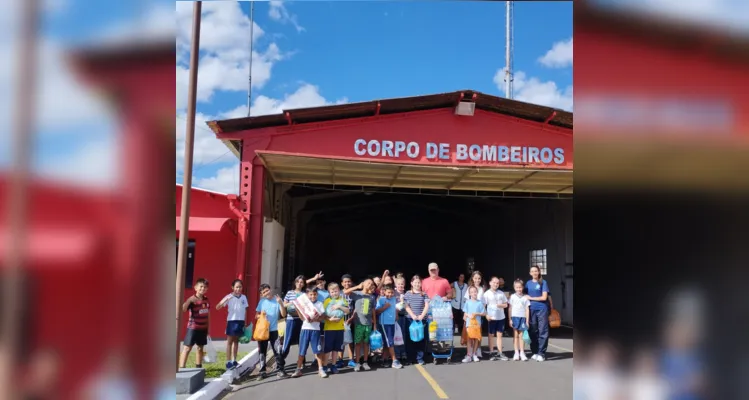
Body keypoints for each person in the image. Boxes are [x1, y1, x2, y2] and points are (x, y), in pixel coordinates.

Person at [279, 273, 322, 374]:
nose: (299, 283)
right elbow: (284, 304)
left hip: (303, 320)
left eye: (301, 282)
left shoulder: (305, 294)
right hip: (291, 319)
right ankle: (280, 364)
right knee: (287, 341)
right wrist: (294, 303)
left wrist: (314, 279)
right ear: (295, 282)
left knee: (302, 342)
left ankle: (302, 362)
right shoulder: (290, 293)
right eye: (298, 282)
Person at [292, 287, 326, 378]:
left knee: (317, 351)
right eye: (310, 294)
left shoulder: (319, 304)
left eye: (314, 294)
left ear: (317, 295)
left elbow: (323, 318)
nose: (313, 296)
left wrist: (316, 319)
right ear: (307, 295)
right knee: (302, 351)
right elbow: (302, 318)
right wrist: (298, 309)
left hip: (316, 330)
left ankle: (320, 369)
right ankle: (298, 369)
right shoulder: (304, 304)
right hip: (305, 329)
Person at [344, 279, 378, 372]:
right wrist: (358, 286)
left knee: (366, 343)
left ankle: (365, 362)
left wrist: (374, 324)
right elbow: (345, 292)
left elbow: (373, 311)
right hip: (358, 324)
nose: (370, 284)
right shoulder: (357, 294)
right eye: (368, 283)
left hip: (368, 324)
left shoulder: (371, 297)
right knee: (358, 344)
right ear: (363, 284)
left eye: (371, 283)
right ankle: (357, 362)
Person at [215, 279, 249, 370]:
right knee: (229, 342)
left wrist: (244, 322)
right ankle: (228, 361)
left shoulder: (244, 297)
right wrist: (225, 300)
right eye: (237, 287)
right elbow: (217, 307)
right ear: (232, 287)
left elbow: (245, 310)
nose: (238, 289)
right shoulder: (228, 296)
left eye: (240, 287)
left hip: (240, 322)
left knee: (236, 341)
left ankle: (234, 360)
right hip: (231, 321)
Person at [253, 284, 285, 379]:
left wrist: (281, 304)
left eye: (267, 291)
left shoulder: (277, 299)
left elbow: (283, 314)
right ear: (262, 295)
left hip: (274, 330)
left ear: (270, 290)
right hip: (263, 331)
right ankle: (263, 371)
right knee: (262, 352)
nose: (266, 293)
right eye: (263, 292)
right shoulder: (261, 302)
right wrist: (261, 315)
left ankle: (280, 370)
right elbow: (256, 316)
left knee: (277, 350)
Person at [179, 279, 210, 369]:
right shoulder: (192, 299)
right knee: (187, 348)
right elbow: (184, 309)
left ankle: (198, 367)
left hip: (203, 328)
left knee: (200, 348)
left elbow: (208, 314)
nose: (202, 288)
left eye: (205, 287)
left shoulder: (206, 300)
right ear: (195, 288)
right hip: (193, 328)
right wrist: (187, 301)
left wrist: (208, 329)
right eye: (201, 286)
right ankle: (182, 368)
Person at [322, 282, 349, 375]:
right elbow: (323, 314)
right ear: (329, 292)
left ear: (339, 291)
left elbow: (347, 310)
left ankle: (333, 365)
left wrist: (339, 306)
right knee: (327, 349)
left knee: (336, 349)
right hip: (329, 328)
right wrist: (330, 319)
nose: (334, 293)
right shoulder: (326, 301)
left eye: (336, 291)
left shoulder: (342, 300)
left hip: (340, 328)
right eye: (332, 292)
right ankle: (325, 366)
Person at [404, 275, 430, 365]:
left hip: (422, 320)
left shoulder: (424, 294)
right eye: (415, 282)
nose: (417, 284)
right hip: (410, 320)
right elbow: (406, 306)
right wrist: (413, 315)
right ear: (411, 283)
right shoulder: (407, 294)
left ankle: (420, 358)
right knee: (410, 339)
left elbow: (427, 305)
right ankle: (410, 358)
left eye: (419, 282)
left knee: (421, 339)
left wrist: (422, 316)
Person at [526, 265, 550, 362]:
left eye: (536, 271)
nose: (534, 273)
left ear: (539, 272)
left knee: (543, 330)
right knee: (532, 330)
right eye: (532, 271)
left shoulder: (543, 282)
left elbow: (544, 297)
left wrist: (531, 298)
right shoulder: (528, 283)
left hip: (542, 309)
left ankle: (541, 353)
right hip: (531, 309)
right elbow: (523, 294)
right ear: (530, 273)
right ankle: (535, 351)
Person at [375, 284, 403, 369]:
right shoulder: (382, 300)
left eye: (391, 292)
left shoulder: (394, 299)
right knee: (390, 342)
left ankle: (384, 359)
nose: (390, 294)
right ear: (384, 292)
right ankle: (394, 360)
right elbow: (376, 311)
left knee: (388, 342)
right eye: (388, 292)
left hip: (392, 323)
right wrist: (385, 307)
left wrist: (396, 314)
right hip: (384, 324)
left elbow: (397, 307)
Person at [483, 276, 509, 361]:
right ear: (490, 283)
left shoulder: (501, 293)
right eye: (494, 282)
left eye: (497, 283)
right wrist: (486, 315)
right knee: (491, 335)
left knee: (499, 335)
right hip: (491, 317)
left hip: (501, 317)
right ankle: (491, 352)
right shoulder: (486, 293)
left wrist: (500, 305)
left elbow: (506, 304)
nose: (496, 284)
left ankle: (500, 352)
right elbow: (483, 306)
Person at [508, 279, 530, 361]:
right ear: (514, 288)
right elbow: (510, 308)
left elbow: (527, 309)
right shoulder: (512, 297)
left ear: (523, 287)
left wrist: (527, 321)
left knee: (522, 336)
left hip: (523, 318)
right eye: (517, 287)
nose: (519, 289)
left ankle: (522, 352)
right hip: (514, 317)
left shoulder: (525, 298)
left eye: (520, 287)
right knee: (515, 335)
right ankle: (516, 352)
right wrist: (510, 319)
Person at [462, 285, 485, 363]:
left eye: (475, 291)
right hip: (469, 323)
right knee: (469, 339)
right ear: (469, 294)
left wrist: (477, 313)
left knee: (476, 339)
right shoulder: (467, 302)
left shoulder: (479, 303)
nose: (474, 293)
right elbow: (465, 312)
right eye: (472, 292)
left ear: (477, 292)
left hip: (477, 324)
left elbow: (483, 313)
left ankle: (474, 354)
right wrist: (468, 315)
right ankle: (469, 355)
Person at [340, 274, 356, 368]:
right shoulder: (339, 293)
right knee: (341, 341)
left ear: (351, 283)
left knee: (351, 341)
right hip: (341, 320)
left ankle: (351, 359)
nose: (347, 283)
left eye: (349, 281)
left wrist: (352, 318)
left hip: (351, 320)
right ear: (342, 283)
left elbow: (356, 307)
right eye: (345, 282)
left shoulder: (354, 293)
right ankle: (340, 360)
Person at [393, 276, 408, 365]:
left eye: (402, 284)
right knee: (397, 335)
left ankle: (403, 353)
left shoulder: (406, 294)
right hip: (397, 317)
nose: (400, 286)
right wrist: (401, 302)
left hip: (404, 316)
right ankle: (397, 354)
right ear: (396, 284)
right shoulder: (394, 294)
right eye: (399, 284)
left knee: (404, 335)